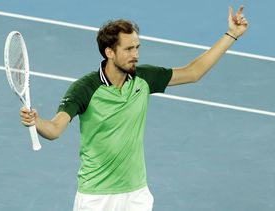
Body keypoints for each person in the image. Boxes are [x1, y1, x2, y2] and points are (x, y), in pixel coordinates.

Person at [20, 5, 249, 211]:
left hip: (136, 194)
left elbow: (193, 72)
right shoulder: (85, 88)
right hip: (96, 197)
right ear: (110, 52)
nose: (136, 55)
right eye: (128, 49)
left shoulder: (144, 79)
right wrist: (36, 122)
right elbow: (55, 129)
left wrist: (231, 35)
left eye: (137, 47)